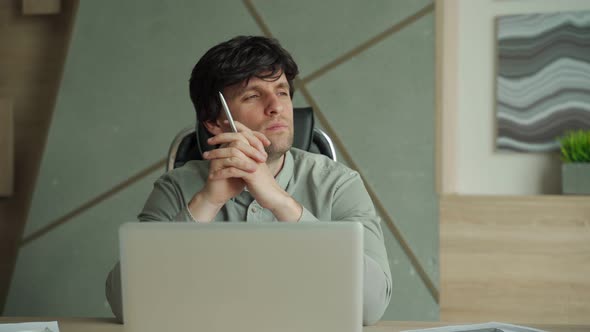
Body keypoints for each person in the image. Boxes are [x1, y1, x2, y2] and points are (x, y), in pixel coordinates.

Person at [105, 35, 392, 325]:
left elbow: (370, 305)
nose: (276, 107)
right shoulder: (177, 187)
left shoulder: (340, 184)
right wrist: (206, 202)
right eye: (253, 96)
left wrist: (281, 203)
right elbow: (124, 304)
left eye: (281, 92)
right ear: (215, 122)